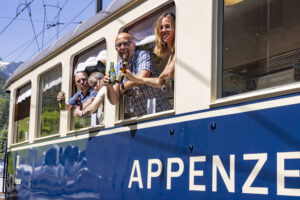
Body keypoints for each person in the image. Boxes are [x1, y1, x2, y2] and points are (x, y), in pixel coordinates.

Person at [103, 32, 170, 117]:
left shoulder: (142, 55)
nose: (122, 47)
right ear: (116, 49)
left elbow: (141, 77)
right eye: (119, 45)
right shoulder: (117, 68)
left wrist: (122, 87)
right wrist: (109, 86)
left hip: (159, 110)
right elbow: (114, 101)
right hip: (138, 117)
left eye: (125, 43)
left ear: (133, 45)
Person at [123, 13, 175, 89]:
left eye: (167, 26)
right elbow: (159, 81)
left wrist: (163, 77)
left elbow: (167, 75)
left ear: (175, 27)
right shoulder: (171, 56)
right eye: (161, 27)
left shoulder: (178, 50)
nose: (163, 30)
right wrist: (135, 79)